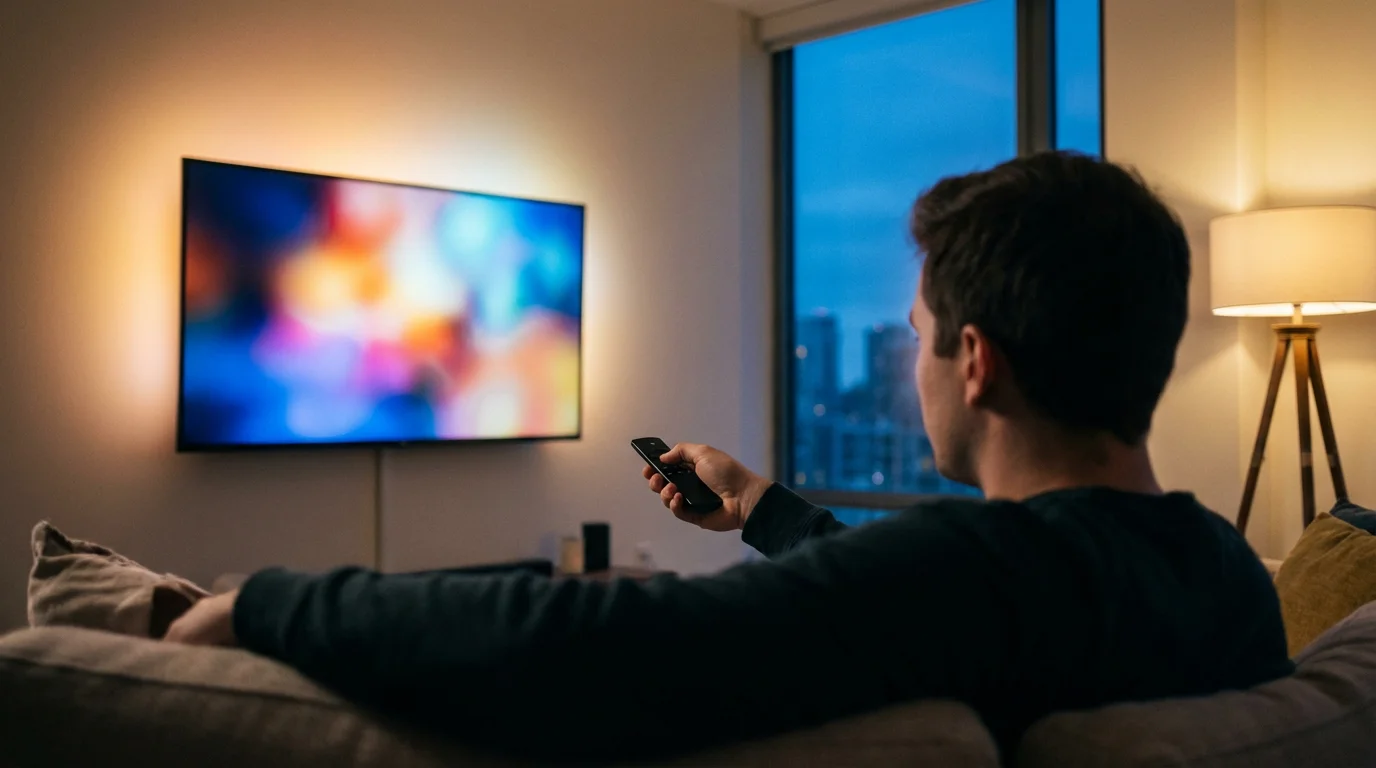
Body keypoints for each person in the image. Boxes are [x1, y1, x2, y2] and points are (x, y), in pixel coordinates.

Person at [166, 151, 1293, 760]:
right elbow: (932, 617)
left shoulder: (978, 566)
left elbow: (605, 651)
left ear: (975, 362)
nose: (912, 369)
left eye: (912, 339)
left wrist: (263, 602)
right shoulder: (1224, 576)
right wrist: (763, 510)